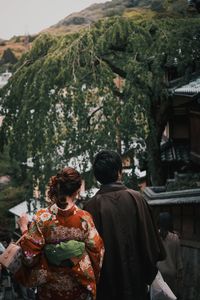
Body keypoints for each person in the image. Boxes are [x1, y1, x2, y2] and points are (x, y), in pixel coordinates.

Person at [84, 150, 166, 300]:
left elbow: (88, 255)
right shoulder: (137, 199)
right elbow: (152, 245)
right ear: (119, 172)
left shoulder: (91, 207)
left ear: (97, 176)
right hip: (137, 282)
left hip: (107, 285)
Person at [15, 167, 104, 300]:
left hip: (50, 291)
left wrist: (24, 229)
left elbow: (29, 257)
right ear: (77, 191)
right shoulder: (84, 218)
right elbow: (97, 252)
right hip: (78, 289)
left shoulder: (42, 218)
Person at [157, 212, 183, 299]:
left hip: (159, 274)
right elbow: (178, 260)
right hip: (171, 275)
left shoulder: (155, 236)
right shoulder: (175, 238)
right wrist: (179, 277)